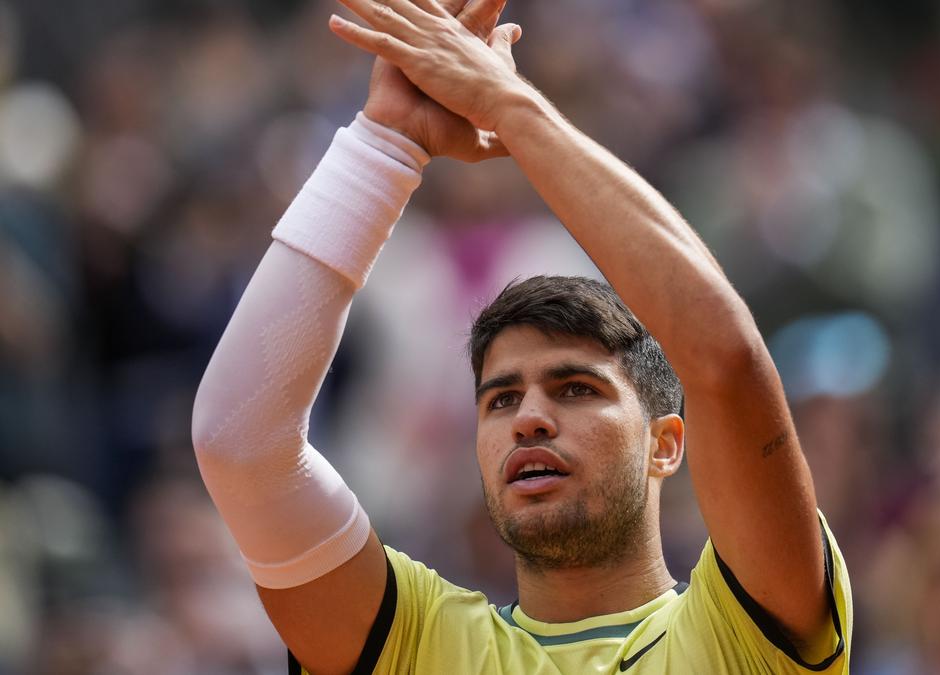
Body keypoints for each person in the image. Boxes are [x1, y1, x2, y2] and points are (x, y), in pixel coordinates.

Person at [190, 0, 852, 672]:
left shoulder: (742, 626)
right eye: (500, 399)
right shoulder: (417, 640)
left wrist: (511, 107)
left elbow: (725, 358)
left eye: (576, 387)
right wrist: (384, 143)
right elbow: (240, 444)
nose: (529, 418)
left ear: (665, 443)